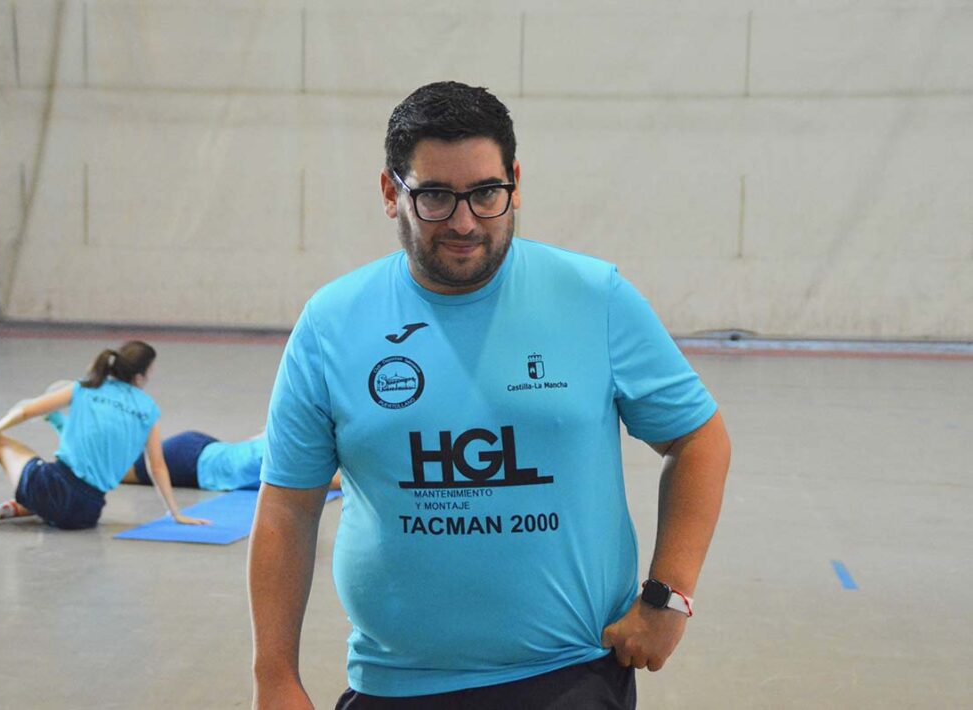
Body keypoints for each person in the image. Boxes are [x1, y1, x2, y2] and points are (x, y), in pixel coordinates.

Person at [247, 81, 731, 709]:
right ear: (391, 192)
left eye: (485, 193)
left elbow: (698, 438)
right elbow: (288, 507)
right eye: (435, 196)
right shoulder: (332, 323)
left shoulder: (594, 298)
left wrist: (669, 596)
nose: (464, 221)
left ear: (515, 183)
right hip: (394, 683)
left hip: (569, 676)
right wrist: (274, 676)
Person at [0, 341, 209, 529]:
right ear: (141, 375)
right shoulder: (148, 409)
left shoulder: (85, 389)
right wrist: (175, 513)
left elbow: (26, 410)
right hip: (86, 513)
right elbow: (158, 466)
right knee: (50, 496)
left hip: (54, 486)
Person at [44, 406, 342, 492]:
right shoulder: (289, 459)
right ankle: (65, 427)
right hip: (191, 462)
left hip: (200, 449)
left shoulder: (282, 441)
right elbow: (334, 482)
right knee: (111, 471)